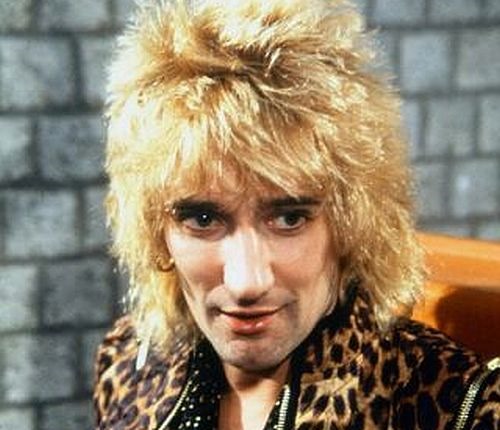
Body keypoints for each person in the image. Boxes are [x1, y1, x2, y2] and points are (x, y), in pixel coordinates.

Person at [93, 0, 499, 429]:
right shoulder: (129, 363)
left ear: (352, 222)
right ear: (156, 232)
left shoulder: (462, 407)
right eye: (203, 220)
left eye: (288, 219)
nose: (246, 282)